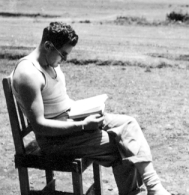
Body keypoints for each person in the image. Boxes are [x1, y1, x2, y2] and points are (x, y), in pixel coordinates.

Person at [10, 22, 171, 195]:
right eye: (62, 54)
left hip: (71, 120)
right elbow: (40, 126)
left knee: (129, 124)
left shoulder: (48, 61)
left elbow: (57, 100)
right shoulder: (29, 74)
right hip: (54, 140)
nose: (64, 59)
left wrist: (86, 110)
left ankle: (154, 188)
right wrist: (83, 125)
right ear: (48, 45)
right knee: (122, 147)